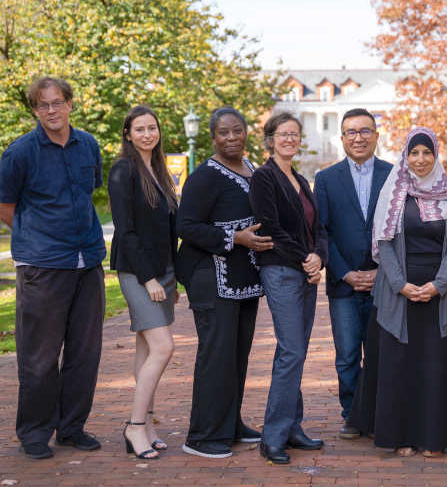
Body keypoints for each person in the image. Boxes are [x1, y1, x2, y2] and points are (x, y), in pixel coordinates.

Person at [0, 76, 106, 459]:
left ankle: (72, 428)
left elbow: (91, 190)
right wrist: (38, 239)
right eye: (43, 105)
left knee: (84, 353)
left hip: (87, 261)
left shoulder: (88, 144)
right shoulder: (20, 153)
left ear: (71, 104)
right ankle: (35, 433)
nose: (51, 111)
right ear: (34, 110)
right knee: (40, 357)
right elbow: (4, 208)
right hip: (42, 267)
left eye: (58, 102)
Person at [366, 126, 447, 457]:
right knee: (401, 365)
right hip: (398, 290)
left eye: (426, 152)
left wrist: (439, 284)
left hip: (440, 291)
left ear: (436, 155)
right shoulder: (394, 192)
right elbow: (384, 242)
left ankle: (434, 438)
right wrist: (400, 284)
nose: (420, 159)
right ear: (405, 156)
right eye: (413, 153)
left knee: (435, 365)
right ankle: (400, 436)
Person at [175, 107, 271, 459]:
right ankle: (202, 436)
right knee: (216, 356)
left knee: (237, 356)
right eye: (223, 133)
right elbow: (186, 226)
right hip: (210, 278)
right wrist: (235, 238)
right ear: (213, 137)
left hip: (245, 280)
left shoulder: (250, 169)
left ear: (246, 132)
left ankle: (230, 424)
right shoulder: (205, 176)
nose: (231, 138)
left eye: (237, 131)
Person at [249, 112, 328, 465]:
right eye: (283, 134)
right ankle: (273, 436)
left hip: (305, 272)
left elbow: (319, 229)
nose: (290, 140)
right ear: (270, 139)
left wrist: (318, 258)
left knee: (298, 351)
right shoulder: (264, 177)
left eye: (295, 134)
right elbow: (271, 229)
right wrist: (306, 259)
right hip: (281, 270)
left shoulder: (299, 178)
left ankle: (293, 428)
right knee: (291, 351)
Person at [313, 108, 393, 439]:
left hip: (383, 283)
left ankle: (377, 414)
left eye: (364, 131)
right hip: (342, 284)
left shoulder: (394, 175)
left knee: (380, 353)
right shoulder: (327, 179)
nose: (358, 137)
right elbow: (321, 232)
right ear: (342, 138)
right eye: (351, 132)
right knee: (347, 355)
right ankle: (351, 414)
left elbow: (400, 229)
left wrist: (382, 272)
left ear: (376, 135)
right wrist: (345, 273)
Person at [109, 106, 178, 460]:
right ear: (128, 134)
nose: (148, 134)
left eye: (153, 128)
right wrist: (149, 278)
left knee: (146, 349)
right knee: (164, 347)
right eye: (140, 129)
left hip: (163, 270)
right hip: (138, 272)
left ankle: (148, 424)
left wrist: (172, 278)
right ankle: (134, 426)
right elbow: (126, 229)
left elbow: (169, 229)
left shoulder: (161, 171)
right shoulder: (123, 170)